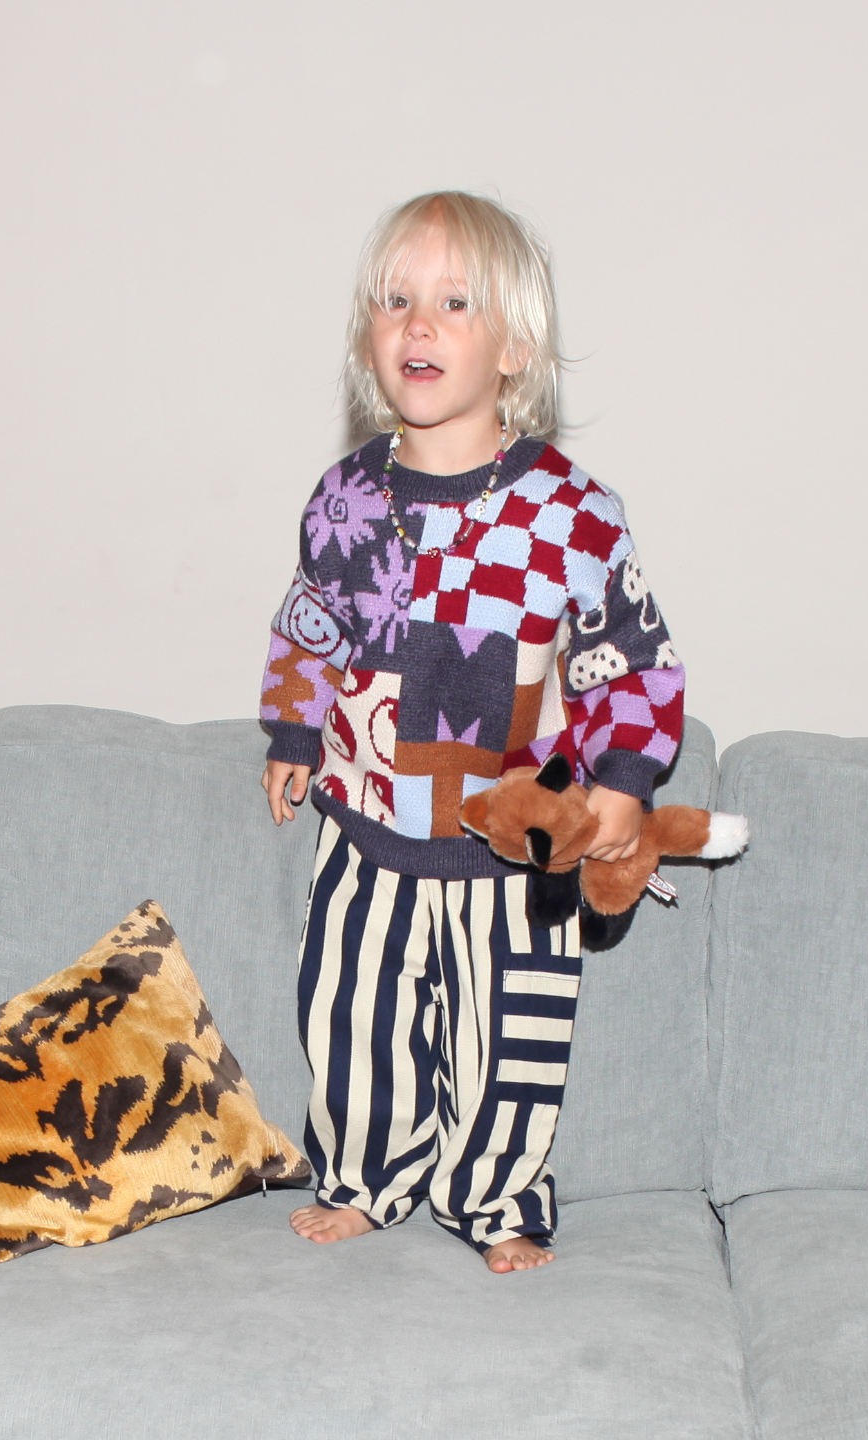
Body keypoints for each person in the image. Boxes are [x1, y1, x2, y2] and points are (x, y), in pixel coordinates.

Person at [259, 192, 684, 1273]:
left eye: (455, 303)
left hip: (514, 838)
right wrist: (294, 730)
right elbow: (309, 622)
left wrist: (624, 779)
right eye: (395, 300)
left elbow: (628, 657)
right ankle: (365, 1177)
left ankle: (496, 1197)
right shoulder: (345, 501)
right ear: (367, 336)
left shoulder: (574, 513)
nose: (419, 323)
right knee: (353, 1018)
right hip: (369, 827)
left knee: (512, 1041)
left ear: (515, 348)